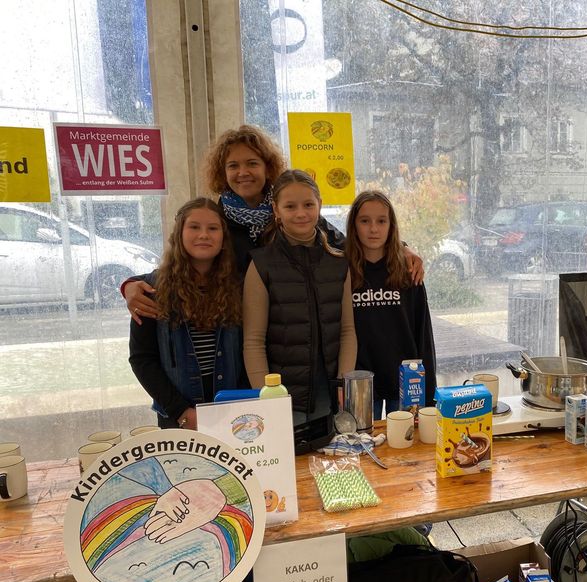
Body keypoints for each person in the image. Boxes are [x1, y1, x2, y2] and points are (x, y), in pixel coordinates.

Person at [123, 125, 424, 324]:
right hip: (239, 332)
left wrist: (400, 247)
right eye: (233, 165)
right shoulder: (217, 220)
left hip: (294, 329)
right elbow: (181, 262)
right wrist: (130, 286)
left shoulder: (295, 213)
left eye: (252, 163)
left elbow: (349, 245)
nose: (243, 172)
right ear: (222, 171)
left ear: (267, 167)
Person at [243, 170, 357, 449]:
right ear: (276, 211)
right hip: (283, 399)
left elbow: (347, 331)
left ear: (319, 205)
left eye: (308, 204)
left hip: (328, 396)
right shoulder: (261, 264)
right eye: (290, 206)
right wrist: (267, 402)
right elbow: (253, 342)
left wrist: (342, 388)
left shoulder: (340, 262)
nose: (301, 213)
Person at [128, 198, 244, 429]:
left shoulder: (240, 287)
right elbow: (142, 359)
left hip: (232, 411)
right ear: (179, 233)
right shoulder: (150, 290)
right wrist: (180, 411)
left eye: (213, 228)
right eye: (194, 227)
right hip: (177, 415)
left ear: (223, 238)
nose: (204, 235)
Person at [345, 191, 436, 419]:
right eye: (365, 221)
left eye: (381, 221)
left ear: (391, 225)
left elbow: (422, 332)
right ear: (354, 224)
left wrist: (429, 389)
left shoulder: (408, 271)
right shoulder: (341, 270)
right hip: (360, 381)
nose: (373, 229)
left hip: (407, 380)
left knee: (405, 448)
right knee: (363, 447)